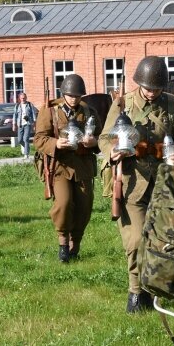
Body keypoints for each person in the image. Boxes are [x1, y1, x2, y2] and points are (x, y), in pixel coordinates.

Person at [98, 56, 174, 313]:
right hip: (132, 183)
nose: (152, 93)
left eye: (157, 88)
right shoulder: (124, 104)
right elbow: (103, 138)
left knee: (161, 241)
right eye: (148, 88)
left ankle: (155, 288)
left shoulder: (172, 104)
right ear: (139, 84)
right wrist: (113, 151)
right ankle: (135, 293)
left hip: (165, 183)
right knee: (134, 242)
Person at [33, 75, 102, 262]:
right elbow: (39, 139)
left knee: (84, 207)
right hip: (60, 166)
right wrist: (56, 143)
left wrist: (94, 142)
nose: (74, 98)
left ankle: (75, 245)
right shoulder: (50, 111)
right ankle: (63, 242)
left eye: (78, 95)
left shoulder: (89, 112)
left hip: (83, 166)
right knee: (63, 204)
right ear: (64, 93)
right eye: (70, 95)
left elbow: (102, 138)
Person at [13, 92, 38, 160]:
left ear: (26, 98)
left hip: (28, 124)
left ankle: (26, 154)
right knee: (20, 140)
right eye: (21, 98)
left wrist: (34, 124)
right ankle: (28, 147)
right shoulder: (17, 105)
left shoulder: (29, 105)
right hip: (20, 124)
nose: (23, 99)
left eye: (24, 98)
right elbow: (15, 115)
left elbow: (33, 114)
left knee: (25, 139)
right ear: (20, 99)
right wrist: (14, 124)